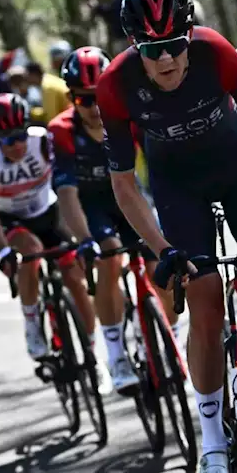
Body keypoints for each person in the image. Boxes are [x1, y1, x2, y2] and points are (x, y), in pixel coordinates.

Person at [97, 0, 237, 473]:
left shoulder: (216, 52)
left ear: (189, 36)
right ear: (134, 47)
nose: (165, 60)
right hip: (177, 188)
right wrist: (161, 248)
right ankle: (211, 445)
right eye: (151, 50)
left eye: (173, 45)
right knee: (205, 305)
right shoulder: (115, 85)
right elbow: (124, 183)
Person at [49, 46, 163, 395]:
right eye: (85, 101)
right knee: (109, 255)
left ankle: (168, 341)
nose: (96, 109)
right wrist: (84, 240)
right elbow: (67, 196)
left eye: (99, 97)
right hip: (92, 205)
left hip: (128, 194)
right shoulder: (62, 130)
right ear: (71, 98)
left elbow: (159, 164)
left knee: (163, 258)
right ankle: (114, 352)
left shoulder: (128, 115)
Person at [0, 94, 97, 374]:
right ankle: (31, 324)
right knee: (30, 250)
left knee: (75, 277)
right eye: (6, 139)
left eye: (19, 135)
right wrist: (3, 250)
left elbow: (66, 188)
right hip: (10, 219)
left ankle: (90, 352)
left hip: (47, 211)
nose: (15, 144)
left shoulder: (43, 141)